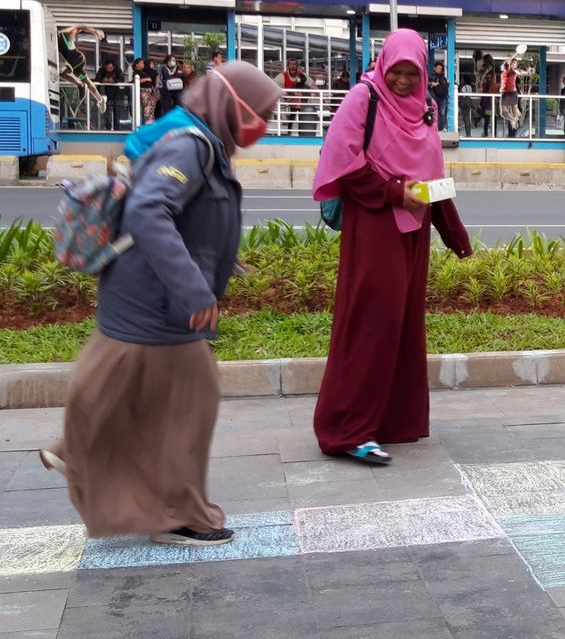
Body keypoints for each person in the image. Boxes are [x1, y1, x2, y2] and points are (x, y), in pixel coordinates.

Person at [40, 61, 285, 546]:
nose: (265, 123)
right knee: (189, 406)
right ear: (229, 105)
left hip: (142, 295)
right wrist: (194, 289)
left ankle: (76, 447)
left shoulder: (203, 142)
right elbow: (150, 209)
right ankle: (180, 515)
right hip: (157, 299)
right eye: (260, 112)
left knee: (129, 387)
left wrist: (219, 264)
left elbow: (186, 218)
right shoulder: (191, 147)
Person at [311, 29, 472, 464]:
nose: (402, 81)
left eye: (411, 73)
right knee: (371, 322)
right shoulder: (363, 99)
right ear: (384, 65)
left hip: (413, 229)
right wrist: (394, 191)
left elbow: (431, 178)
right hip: (374, 224)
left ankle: (392, 422)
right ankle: (347, 429)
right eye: (396, 72)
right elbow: (344, 163)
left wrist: (453, 231)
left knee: (402, 326)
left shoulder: (425, 109)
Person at [274, 58, 312, 136]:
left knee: (301, 117)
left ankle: (300, 133)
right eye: (291, 64)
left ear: (297, 66)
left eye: (294, 64)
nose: (292, 66)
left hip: (300, 101)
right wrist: (285, 94)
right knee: (292, 116)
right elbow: (273, 84)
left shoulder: (302, 76)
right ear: (288, 66)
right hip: (290, 101)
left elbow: (313, 85)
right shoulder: (282, 76)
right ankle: (289, 132)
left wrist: (323, 100)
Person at [131, 57, 159, 125]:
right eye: (141, 63)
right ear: (136, 65)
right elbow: (135, 80)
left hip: (150, 91)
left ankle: (151, 123)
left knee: (151, 108)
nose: (143, 64)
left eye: (143, 63)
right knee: (148, 108)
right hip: (144, 92)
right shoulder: (136, 72)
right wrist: (146, 79)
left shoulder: (143, 72)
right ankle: (149, 124)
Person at [428, 60, 450, 131]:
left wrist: (447, 83)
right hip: (434, 96)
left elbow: (446, 85)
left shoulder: (443, 77)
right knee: (434, 111)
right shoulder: (430, 75)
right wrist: (432, 84)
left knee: (442, 113)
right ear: (434, 68)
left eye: (440, 69)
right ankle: (433, 127)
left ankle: (441, 127)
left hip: (442, 97)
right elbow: (425, 84)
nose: (439, 70)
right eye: (438, 68)